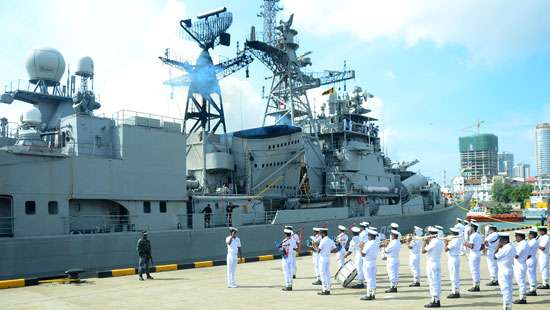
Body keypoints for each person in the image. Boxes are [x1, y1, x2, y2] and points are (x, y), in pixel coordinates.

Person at [423, 226, 443, 308]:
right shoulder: (439, 241)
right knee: (436, 282)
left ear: (431, 234)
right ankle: (436, 299)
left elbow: (423, 251)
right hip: (437, 263)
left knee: (433, 282)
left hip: (432, 264)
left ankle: (435, 300)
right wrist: (428, 241)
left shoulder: (433, 242)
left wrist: (424, 242)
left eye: (428, 233)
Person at [495, 232, 515, 310]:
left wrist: (497, 247)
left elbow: (495, 256)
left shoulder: (505, 248)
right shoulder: (512, 246)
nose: (499, 242)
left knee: (505, 289)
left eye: (500, 240)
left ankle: (506, 307)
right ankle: (508, 306)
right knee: (509, 289)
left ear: (505, 241)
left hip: (503, 270)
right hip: (509, 268)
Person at [360, 228, 379, 300]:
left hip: (367, 262)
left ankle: (368, 294)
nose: (367, 236)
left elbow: (363, 254)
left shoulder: (369, 243)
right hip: (373, 262)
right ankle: (373, 293)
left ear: (370, 236)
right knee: (373, 278)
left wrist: (361, 247)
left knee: (368, 279)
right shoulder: (376, 243)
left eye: (368, 235)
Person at [318, 227, 336, 295]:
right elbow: (335, 249)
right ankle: (328, 289)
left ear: (323, 233)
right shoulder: (330, 240)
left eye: (320, 233)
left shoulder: (323, 240)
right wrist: (328, 251)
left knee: (323, 274)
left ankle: (325, 290)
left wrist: (314, 245)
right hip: (328, 258)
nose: (320, 234)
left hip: (322, 258)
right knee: (328, 274)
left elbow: (318, 251)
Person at [445, 227, 462, 298]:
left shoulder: (454, 240)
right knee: (455, 275)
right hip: (455, 258)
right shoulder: (457, 239)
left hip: (453, 259)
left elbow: (446, 249)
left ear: (453, 233)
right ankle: (456, 291)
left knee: (453, 276)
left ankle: (455, 292)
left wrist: (446, 242)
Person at [465, 221, 482, 292]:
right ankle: (477, 285)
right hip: (478, 253)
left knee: (474, 270)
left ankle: (475, 286)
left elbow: (471, 246)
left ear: (473, 228)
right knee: (477, 270)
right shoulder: (478, 235)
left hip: (473, 253)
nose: (470, 228)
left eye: (471, 227)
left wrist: (465, 244)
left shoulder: (473, 235)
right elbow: (482, 246)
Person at [513, 231, 528, 304]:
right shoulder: (524, 243)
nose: (515, 238)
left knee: (521, 282)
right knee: (521, 282)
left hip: (520, 265)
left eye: (516, 236)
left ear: (520, 237)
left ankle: (522, 298)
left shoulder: (522, 244)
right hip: (521, 263)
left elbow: (516, 255)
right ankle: (522, 297)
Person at [526, 229, 539, 296]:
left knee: (531, 275)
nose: (528, 235)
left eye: (529, 234)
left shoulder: (532, 242)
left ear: (532, 235)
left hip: (530, 258)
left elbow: (527, 251)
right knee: (532, 274)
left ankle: (532, 290)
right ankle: (533, 289)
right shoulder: (534, 241)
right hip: (532, 258)